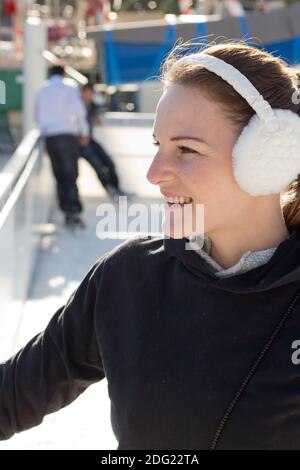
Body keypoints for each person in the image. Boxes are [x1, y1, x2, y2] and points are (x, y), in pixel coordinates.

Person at [2, 40, 300, 450]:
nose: (154, 174)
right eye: (158, 145)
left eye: (186, 150)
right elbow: (13, 395)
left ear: (271, 158)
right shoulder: (126, 276)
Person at [34, 65, 89, 229]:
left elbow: (37, 115)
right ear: (63, 74)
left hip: (50, 138)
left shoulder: (41, 90)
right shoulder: (69, 87)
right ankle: (74, 212)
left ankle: (66, 210)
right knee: (71, 175)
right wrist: (83, 131)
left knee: (59, 175)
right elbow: (78, 112)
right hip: (67, 136)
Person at [79, 82, 133, 203]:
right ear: (82, 93)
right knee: (98, 167)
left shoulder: (91, 105)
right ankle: (111, 191)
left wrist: (95, 118)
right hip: (79, 143)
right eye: (86, 93)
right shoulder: (76, 105)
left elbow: (96, 118)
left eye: (90, 93)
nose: (88, 96)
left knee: (109, 163)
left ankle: (118, 190)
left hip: (90, 140)